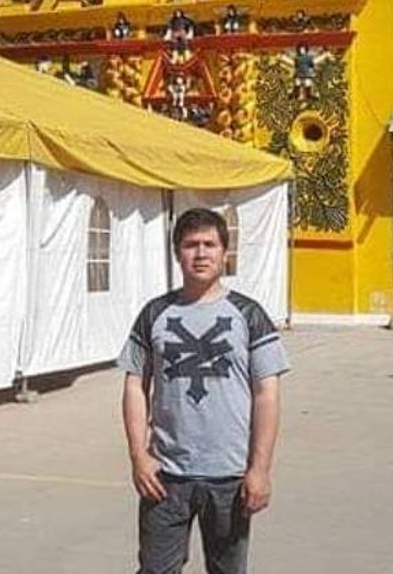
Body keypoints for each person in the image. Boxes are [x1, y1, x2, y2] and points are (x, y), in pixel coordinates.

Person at [118, 208, 289, 574]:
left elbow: (267, 395)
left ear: (224, 253)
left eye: (209, 244)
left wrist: (259, 469)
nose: (200, 253)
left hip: (229, 475)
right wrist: (138, 456)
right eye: (190, 245)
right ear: (177, 253)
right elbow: (135, 384)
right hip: (165, 476)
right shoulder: (155, 314)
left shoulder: (250, 315)